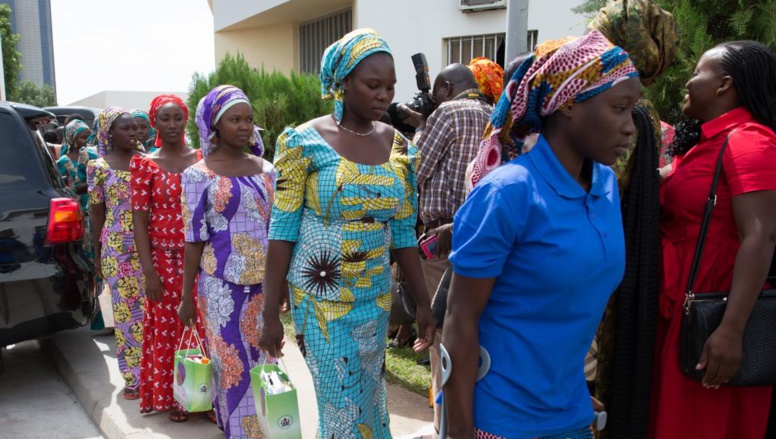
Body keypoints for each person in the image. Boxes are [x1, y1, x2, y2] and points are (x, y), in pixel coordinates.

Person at [443, 31, 640, 439]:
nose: (629, 127)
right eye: (619, 108)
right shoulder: (508, 194)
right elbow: (461, 319)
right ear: (567, 103)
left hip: (570, 414)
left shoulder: (604, 185)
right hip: (502, 420)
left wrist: (568, 385)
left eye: (632, 110)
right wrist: (459, 432)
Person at [259, 28, 434, 438]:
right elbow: (281, 230)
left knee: (371, 399)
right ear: (342, 82)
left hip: (374, 296)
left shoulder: (399, 147)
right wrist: (270, 312)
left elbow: (405, 232)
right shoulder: (302, 143)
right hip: (321, 298)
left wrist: (423, 304)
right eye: (372, 85)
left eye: (390, 87)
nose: (384, 95)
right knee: (341, 404)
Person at [649, 41, 776, 439]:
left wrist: (732, 330)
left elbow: (761, 234)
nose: (688, 81)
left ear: (724, 85)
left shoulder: (748, 140)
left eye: (698, 72)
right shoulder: (707, 144)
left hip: (713, 313)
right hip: (685, 305)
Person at [585, 2, 679, 436]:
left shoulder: (622, 112)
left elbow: (601, 192)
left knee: (589, 370)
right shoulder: (644, 111)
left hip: (592, 268)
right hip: (616, 263)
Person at [178, 85, 275, 438]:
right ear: (215, 125)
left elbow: (276, 232)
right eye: (235, 119)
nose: (245, 126)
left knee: (265, 363)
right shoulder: (198, 175)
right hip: (221, 289)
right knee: (230, 368)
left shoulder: (267, 169)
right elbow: (193, 238)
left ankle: (267, 429)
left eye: (249, 119)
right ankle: (238, 431)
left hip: (264, 285)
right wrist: (187, 296)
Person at [400, 62, 493, 434]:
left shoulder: (447, 112)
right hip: (483, 237)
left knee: (440, 339)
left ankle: (444, 425)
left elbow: (413, 172)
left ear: (443, 88)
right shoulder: (492, 112)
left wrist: (418, 128)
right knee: (473, 340)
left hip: (442, 241)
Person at [131, 94, 205, 422]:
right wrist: (149, 273)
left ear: (186, 119)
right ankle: (177, 396)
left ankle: (207, 397)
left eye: (178, 117)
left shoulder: (203, 158)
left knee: (203, 326)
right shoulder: (144, 164)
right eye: (165, 119)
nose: (172, 124)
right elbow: (139, 220)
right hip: (163, 260)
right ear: (154, 123)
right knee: (167, 327)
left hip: (203, 258)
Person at [87, 107, 145, 400]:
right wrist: (97, 256)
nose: (133, 133)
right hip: (117, 249)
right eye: (126, 128)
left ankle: (156, 372)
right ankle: (133, 376)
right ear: (109, 133)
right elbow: (96, 212)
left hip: (151, 247)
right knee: (125, 314)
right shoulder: (98, 167)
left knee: (153, 313)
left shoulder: (148, 163)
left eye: (136, 127)